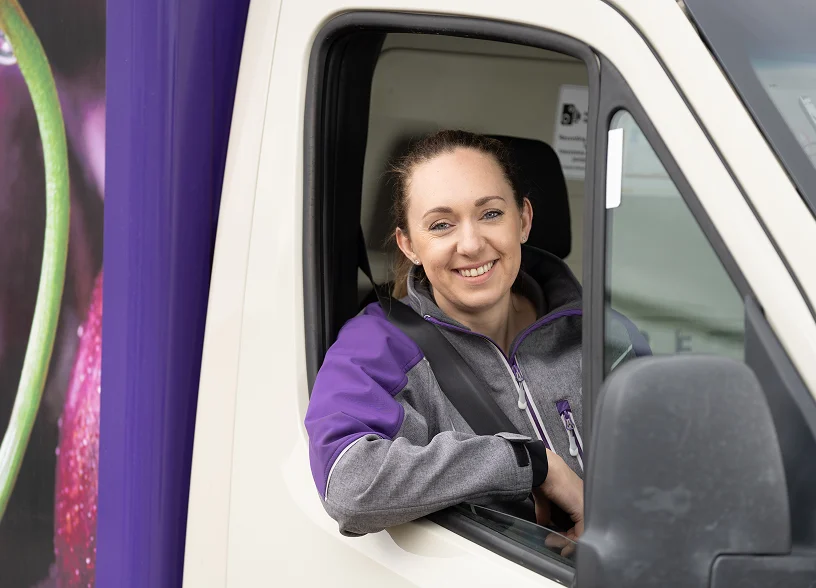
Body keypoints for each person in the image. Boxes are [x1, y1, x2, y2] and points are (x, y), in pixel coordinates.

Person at [304, 130, 637, 543]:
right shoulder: (376, 345)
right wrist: (531, 464)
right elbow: (350, 485)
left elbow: (673, 463)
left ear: (524, 220)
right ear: (409, 245)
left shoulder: (602, 333)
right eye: (441, 225)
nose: (471, 244)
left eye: (491, 214)